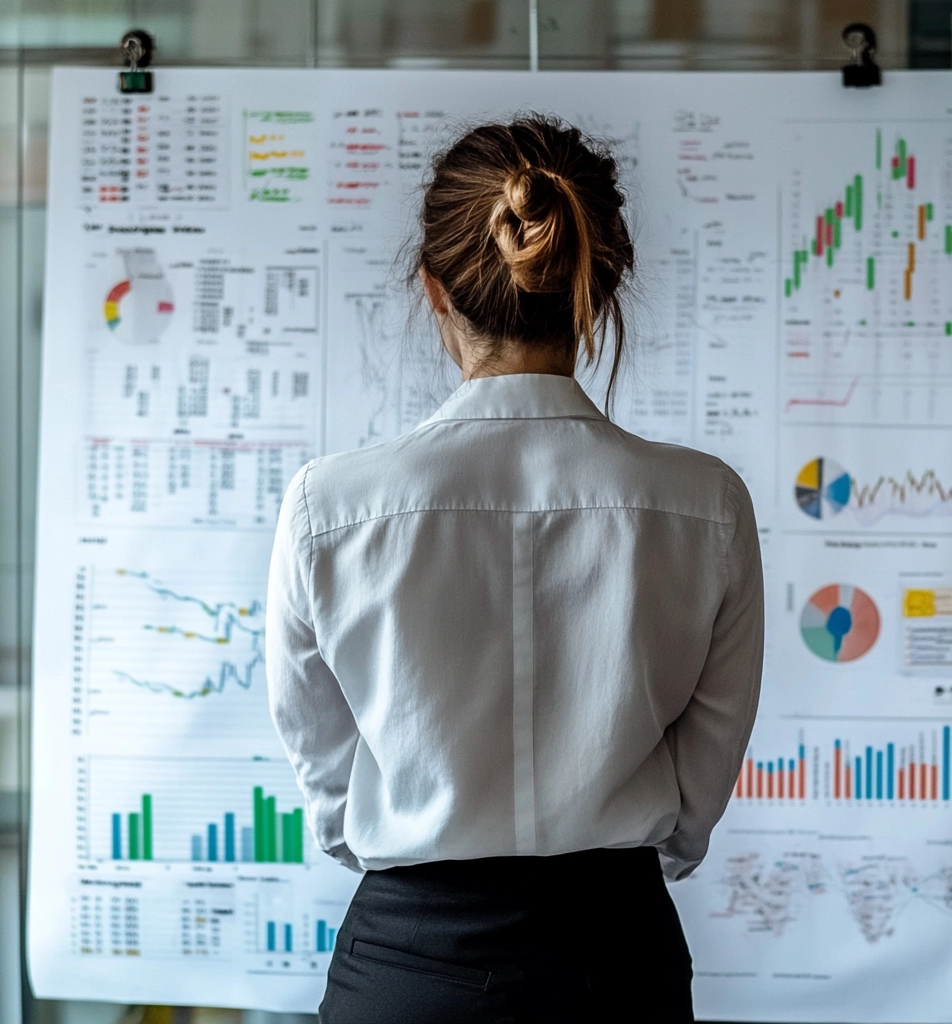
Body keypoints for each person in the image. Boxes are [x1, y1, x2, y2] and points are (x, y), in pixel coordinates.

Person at [265, 116, 764, 1024]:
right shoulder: (707, 504)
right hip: (619, 961)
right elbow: (698, 794)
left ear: (433, 289)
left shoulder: (327, 506)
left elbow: (326, 772)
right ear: (598, 284)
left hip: (409, 967)